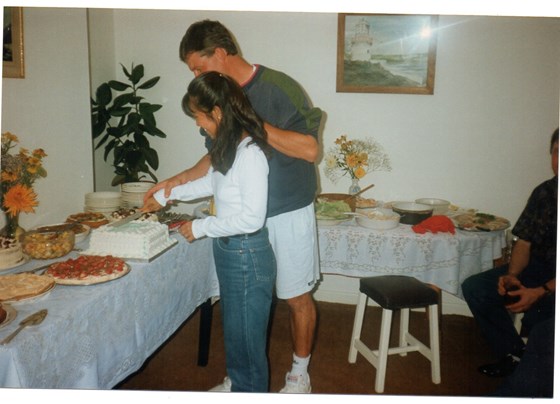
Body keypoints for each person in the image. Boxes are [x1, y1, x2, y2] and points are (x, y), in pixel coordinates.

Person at [144, 20, 323, 393]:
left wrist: (248, 119)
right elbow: (215, 160)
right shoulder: (214, 98)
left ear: (221, 54)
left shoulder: (278, 87)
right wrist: (174, 183)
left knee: (295, 295)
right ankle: (241, 378)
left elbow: (309, 150)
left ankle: (299, 374)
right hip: (240, 222)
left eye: (198, 67)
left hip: (287, 209)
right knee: (242, 303)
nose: (195, 76)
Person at [143, 71, 276, 392]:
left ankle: (249, 390)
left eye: (198, 116)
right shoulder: (228, 147)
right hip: (230, 250)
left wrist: (199, 226)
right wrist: (167, 194)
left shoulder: (251, 155)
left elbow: (252, 219)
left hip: (247, 254)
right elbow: (211, 183)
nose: (197, 123)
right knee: (235, 329)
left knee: (247, 338)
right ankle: (239, 385)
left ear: (217, 112)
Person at [462, 128, 557, 379]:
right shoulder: (545, 192)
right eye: (558, 152)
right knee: (477, 287)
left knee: (544, 316)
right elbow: (524, 241)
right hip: (540, 267)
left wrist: (540, 291)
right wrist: (513, 275)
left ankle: (538, 373)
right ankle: (514, 355)